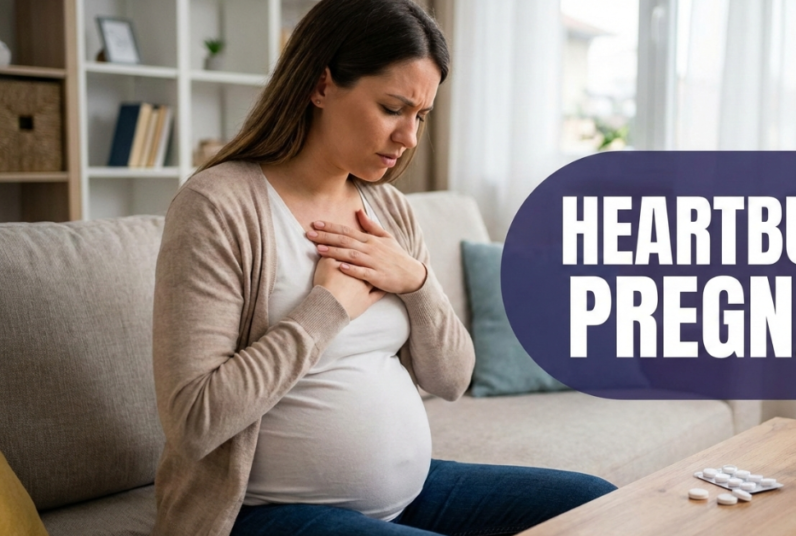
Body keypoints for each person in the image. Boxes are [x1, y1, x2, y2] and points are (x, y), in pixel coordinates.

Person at [150, 1, 616, 535]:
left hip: (410, 496)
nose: (410, 137)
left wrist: (417, 284)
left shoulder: (388, 208)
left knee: (600, 507)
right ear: (321, 85)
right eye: (393, 108)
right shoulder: (218, 206)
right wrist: (326, 310)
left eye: (421, 116)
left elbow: (451, 380)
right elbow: (193, 421)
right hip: (259, 514)